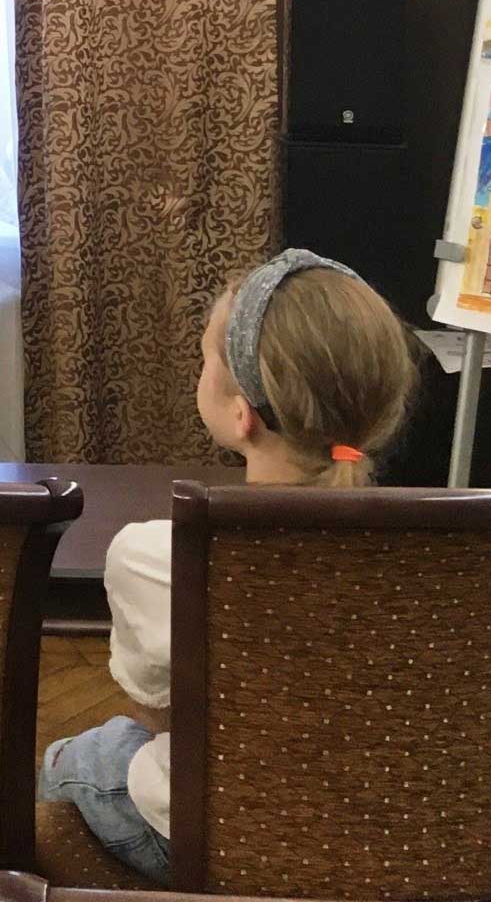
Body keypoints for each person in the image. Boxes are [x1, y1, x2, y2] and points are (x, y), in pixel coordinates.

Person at [40, 249, 415, 879]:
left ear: (242, 415)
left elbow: (159, 716)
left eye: (205, 358)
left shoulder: (155, 557)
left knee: (68, 759)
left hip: (220, 836)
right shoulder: (452, 567)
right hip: (395, 832)